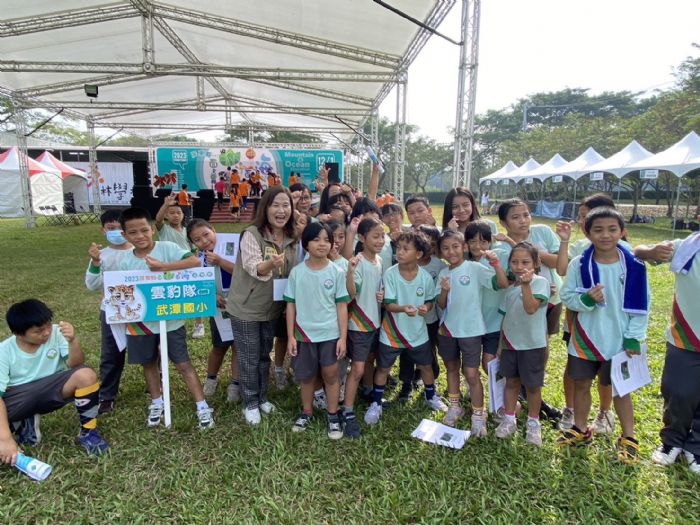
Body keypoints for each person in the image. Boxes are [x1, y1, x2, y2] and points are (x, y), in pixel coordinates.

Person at [558, 207, 649, 464]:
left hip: (619, 340)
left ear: (622, 232)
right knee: (581, 384)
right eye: (597, 230)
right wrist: (586, 298)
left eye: (612, 229)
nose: (605, 235)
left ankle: (628, 437)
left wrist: (634, 336)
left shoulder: (634, 266)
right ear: (588, 233)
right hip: (586, 338)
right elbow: (567, 297)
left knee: (622, 389)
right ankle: (580, 427)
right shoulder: (579, 264)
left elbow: (642, 304)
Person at [118, 207, 215, 430]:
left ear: (152, 229)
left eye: (144, 230)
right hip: (140, 323)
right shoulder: (125, 261)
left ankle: (201, 406)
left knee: (183, 363)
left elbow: (193, 262)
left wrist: (164, 267)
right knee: (148, 363)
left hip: (171, 321)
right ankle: (156, 402)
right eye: (133, 233)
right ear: (125, 236)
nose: (140, 236)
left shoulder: (168, 248)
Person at [0, 299, 109, 461]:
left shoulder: (56, 333)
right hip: (18, 399)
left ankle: (88, 432)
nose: (46, 333)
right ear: (18, 333)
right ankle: (23, 423)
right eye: (38, 331)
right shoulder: (4, 351)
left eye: (48, 326)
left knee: (85, 375)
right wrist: (6, 439)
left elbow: (76, 365)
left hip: (51, 390)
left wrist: (73, 341)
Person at [225, 186, 298, 425]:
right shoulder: (252, 234)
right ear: (265, 208)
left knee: (264, 355)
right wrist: (270, 264)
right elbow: (253, 266)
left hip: (272, 308)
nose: (281, 210)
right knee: (249, 357)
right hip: (246, 308)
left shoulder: (291, 238)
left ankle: (263, 397)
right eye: (275, 205)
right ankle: (250, 403)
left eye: (286, 205)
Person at [364, 231, 448, 427]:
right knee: (383, 368)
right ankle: (376, 403)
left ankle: (430, 395)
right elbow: (388, 304)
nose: (399, 253)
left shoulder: (426, 277)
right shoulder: (390, 274)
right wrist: (404, 308)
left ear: (418, 254)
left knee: (426, 366)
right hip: (391, 333)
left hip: (418, 333)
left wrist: (426, 307)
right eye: (398, 248)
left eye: (405, 249)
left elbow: (429, 300)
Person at [497, 198, 565, 422]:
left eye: (526, 214)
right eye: (515, 217)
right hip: (519, 304)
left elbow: (559, 263)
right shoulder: (502, 248)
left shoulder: (542, 232)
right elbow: (505, 280)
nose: (523, 221)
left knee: (540, 346)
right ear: (504, 222)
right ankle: (523, 394)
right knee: (522, 344)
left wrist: (530, 253)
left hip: (550, 299)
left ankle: (532, 390)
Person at [436, 230, 508, 431]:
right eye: (446, 248)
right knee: (451, 368)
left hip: (471, 331)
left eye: (455, 246)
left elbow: (501, 284)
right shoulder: (443, 273)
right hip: (447, 330)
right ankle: (454, 406)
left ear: (464, 247)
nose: (451, 251)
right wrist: (444, 290)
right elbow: (441, 305)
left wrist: (495, 264)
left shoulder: (474, 268)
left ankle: (479, 414)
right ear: (440, 252)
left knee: (471, 372)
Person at [284, 222, 349, 439]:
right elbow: (290, 305)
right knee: (307, 377)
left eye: (326, 240)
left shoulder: (337, 271)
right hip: (304, 335)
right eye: (316, 239)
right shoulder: (297, 273)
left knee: (331, 375)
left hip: (330, 335)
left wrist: (343, 338)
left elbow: (342, 306)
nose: (322, 244)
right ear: (306, 244)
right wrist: (291, 336)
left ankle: (332, 415)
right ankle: (306, 411)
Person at [650, 220, 700, 473]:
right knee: (678, 392)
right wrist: (650, 252)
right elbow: (644, 253)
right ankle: (672, 441)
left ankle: (696, 448)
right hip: (686, 337)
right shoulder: (687, 247)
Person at [494, 242, 551, 447]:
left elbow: (530, 308)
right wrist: (500, 345)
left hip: (533, 345)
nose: (519, 266)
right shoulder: (509, 290)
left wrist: (526, 286)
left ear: (536, 263)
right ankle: (510, 419)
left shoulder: (540, 283)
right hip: (510, 345)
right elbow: (505, 320)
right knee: (511, 383)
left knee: (533, 387)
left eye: (525, 262)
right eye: (515, 262)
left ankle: (533, 423)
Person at [84, 210, 133, 414]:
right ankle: (107, 395)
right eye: (111, 229)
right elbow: (92, 285)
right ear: (103, 230)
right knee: (111, 354)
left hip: (140, 310)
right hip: (111, 311)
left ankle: (156, 385)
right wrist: (95, 263)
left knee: (150, 349)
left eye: (121, 228)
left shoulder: (140, 251)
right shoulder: (101, 255)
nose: (117, 232)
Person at [187, 219, 241, 403]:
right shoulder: (198, 260)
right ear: (193, 244)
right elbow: (197, 284)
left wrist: (220, 261)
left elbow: (242, 273)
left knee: (238, 346)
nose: (204, 241)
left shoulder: (234, 247)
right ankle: (211, 378)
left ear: (213, 230)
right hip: (219, 310)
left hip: (240, 305)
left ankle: (235, 384)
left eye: (206, 234)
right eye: (197, 239)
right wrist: (211, 296)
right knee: (219, 346)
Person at [343, 218, 385, 438]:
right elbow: (352, 292)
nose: (380, 240)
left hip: (374, 322)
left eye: (382, 236)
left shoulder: (378, 260)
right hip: (359, 324)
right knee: (357, 369)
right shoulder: (357, 262)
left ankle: (368, 391)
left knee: (369, 361)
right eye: (375, 236)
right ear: (362, 238)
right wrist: (350, 272)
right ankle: (347, 411)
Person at [397, 225, 444, 403]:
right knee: (407, 353)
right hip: (407, 320)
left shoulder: (438, 265)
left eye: (432, 244)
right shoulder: (404, 264)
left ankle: (430, 387)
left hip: (430, 319)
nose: (428, 248)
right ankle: (406, 385)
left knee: (429, 352)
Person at [155, 194, 205, 340]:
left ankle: (199, 324)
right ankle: (174, 326)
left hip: (189, 267)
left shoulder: (187, 231)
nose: (175, 216)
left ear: (183, 215)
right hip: (170, 268)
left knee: (194, 295)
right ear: (166, 215)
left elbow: (194, 248)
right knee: (172, 295)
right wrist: (165, 204)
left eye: (178, 213)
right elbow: (157, 219)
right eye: (171, 213)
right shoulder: (163, 229)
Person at [464, 221, 507, 375]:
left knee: (489, 363)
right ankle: (472, 390)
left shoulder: (499, 255)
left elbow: (505, 282)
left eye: (483, 241)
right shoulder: (463, 263)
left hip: (494, 323)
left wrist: (495, 264)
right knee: (469, 364)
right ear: (466, 243)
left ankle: (505, 396)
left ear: (490, 242)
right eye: (473, 241)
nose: (478, 246)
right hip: (472, 324)